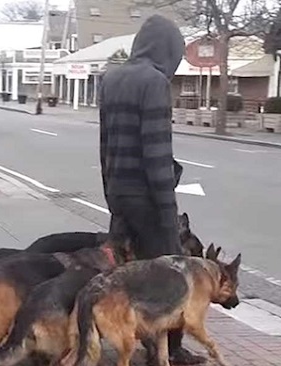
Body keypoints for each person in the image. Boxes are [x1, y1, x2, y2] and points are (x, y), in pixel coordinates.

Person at [98, 15, 205, 365]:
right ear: (167, 50)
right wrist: (167, 211)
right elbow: (156, 153)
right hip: (147, 196)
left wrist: (110, 193)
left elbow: (105, 145)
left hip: (118, 191)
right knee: (169, 276)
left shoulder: (111, 78)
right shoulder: (154, 83)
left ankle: (121, 335)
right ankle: (169, 352)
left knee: (124, 273)